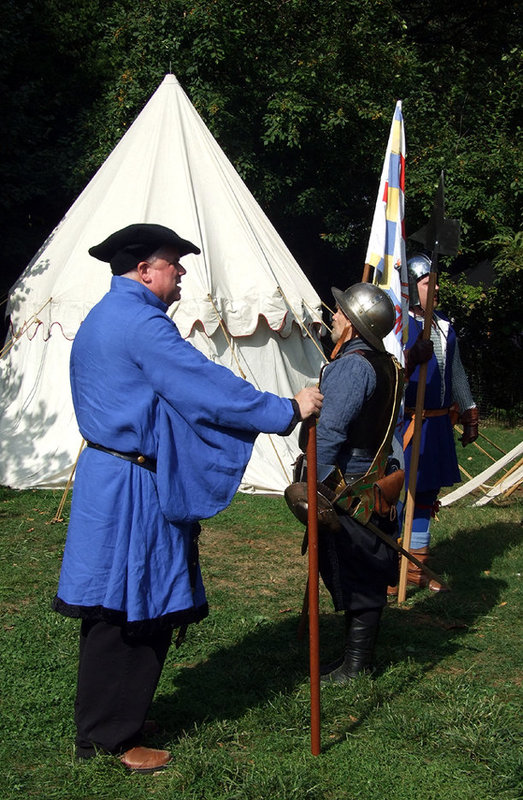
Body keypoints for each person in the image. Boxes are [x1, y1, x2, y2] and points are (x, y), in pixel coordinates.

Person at [52, 223, 323, 772]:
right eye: (174, 263)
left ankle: (114, 719)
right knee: (127, 610)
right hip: (130, 487)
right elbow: (204, 384)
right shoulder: (140, 324)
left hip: (117, 478)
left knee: (124, 605)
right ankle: (110, 737)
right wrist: (285, 410)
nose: (181, 273)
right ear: (145, 270)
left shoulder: (109, 316)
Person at [288, 282, 404, 684]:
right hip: (368, 480)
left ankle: (356, 666)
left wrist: (312, 482)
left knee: (357, 570)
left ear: (353, 326)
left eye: (340, 313)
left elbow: (330, 431)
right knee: (363, 569)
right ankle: (357, 658)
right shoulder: (387, 363)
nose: (333, 317)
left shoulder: (354, 367)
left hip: (349, 485)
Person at [391, 253, 478, 593]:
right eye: (429, 282)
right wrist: (410, 359)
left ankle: (416, 567)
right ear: (413, 287)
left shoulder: (442, 325)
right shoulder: (397, 326)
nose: (436, 287)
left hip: (438, 424)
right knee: (396, 494)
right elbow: (389, 374)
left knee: (426, 495)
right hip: (407, 424)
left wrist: (469, 411)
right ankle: (390, 568)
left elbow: (456, 371)